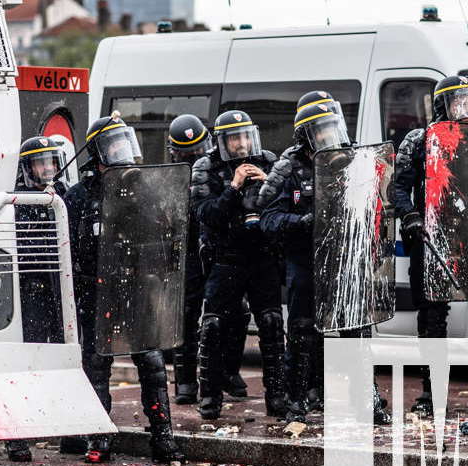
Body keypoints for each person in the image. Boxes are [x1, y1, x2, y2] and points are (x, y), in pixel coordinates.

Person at [258, 91, 389, 424]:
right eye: (321, 131)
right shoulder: (288, 168)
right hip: (306, 263)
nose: (329, 137)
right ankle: (296, 403)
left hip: (345, 261)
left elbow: (374, 206)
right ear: (305, 136)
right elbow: (268, 218)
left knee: (356, 333)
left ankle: (368, 401)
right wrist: (300, 222)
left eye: (333, 129)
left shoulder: (353, 160)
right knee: (302, 335)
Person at [63, 114, 186, 464]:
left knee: (150, 360)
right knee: (97, 363)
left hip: (135, 288)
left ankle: (163, 437)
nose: (123, 152)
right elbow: (69, 247)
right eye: (115, 146)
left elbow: (166, 236)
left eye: (125, 144)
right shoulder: (80, 195)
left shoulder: (145, 189)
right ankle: (99, 438)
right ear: (100, 152)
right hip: (97, 290)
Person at [392, 75, 468, 414]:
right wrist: (410, 215)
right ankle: (432, 396)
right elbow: (398, 187)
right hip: (430, 240)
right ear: (445, 106)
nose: (467, 108)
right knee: (432, 319)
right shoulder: (420, 141)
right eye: (460, 102)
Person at [191, 110, 287, 420]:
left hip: (261, 257)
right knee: (214, 326)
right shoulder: (206, 167)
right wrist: (234, 187)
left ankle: (277, 397)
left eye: (246, 136)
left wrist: (267, 185)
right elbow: (207, 214)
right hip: (225, 258)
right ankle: (209, 398)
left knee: (272, 324)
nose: (243, 144)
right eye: (235, 139)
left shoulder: (269, 161)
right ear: (223, 141)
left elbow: (282, 206)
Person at [166, 114, 250, 405]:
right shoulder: (171, 178)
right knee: (186, 316)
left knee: (235, 312)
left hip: (216, 248)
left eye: (198, 152)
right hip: (187, 250)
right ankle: (186, 380)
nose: (194, 158)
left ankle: (228, 371)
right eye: (186, 154)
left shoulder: (218, 170)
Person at [4, 136, 68, 462]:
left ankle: (71, 430)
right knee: (26, 359)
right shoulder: (17, 200)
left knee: (64, 356)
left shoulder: (65, 196)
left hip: (62, 288)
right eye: (40, 163)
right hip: (30, 287)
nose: (48, 169)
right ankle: (18, 437)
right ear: (28, 167)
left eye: (51, 162)